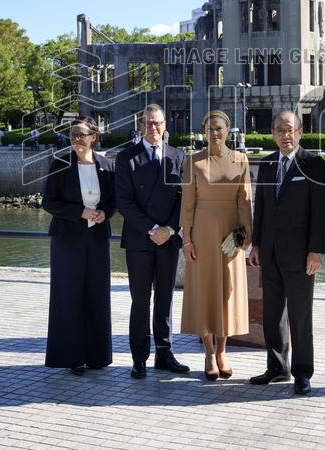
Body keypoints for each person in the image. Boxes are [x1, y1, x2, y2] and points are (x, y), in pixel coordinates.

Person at [249, 111, 325, 396]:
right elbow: (261, 206)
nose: (285, 135)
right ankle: (277, 367)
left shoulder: (314, 164)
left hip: (300, 255)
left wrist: (315, 251)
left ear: (299, 132)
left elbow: (321, 213)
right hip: (269, 252)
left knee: (300, 316)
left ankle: (302, 373)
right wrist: (256, 244)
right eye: (279, 130)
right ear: (272, 133)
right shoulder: (269, 163)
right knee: (272, 315)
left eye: (290, 130)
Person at [115, 104, 190, 379]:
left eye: (157, 123)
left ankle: (165, 354)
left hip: (169, 240)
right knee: (140, 300)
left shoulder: (178, 157)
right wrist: (153, 228)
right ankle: (139, 358)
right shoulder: (126, 158)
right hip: (139, 240)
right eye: (148, 123)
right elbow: (123, 202)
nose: (153, 128)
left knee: (166, 299)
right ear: (141, 125)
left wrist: (170, 229)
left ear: (165, 124)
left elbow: (184, 199)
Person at [181, 110, 253, 380]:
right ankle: (208, 353)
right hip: (202, 232)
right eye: (209, 128)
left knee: (227, 294)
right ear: (203, 131)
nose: (214, 132)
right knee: (205, 291)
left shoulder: (240, 159)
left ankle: (223, 351)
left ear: (228, 129)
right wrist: (187, 240)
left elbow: (245, 200)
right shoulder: (193, 162)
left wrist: (246, 236)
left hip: (230, 233)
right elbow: (187, 205)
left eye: (219, 128)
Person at [41, 116, 115, 375]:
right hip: (67, 239)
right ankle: (72, 357)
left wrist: (105, 213)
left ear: (94, 137)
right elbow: (48, 202)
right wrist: (80, 212)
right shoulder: (60, 164)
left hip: (97, 239)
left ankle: (97, 356)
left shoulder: (106, 165)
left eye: (81, 135)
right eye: (72, 135)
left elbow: (114, 200)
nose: (76, 140)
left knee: (97, 295)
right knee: (68, 296)